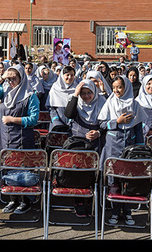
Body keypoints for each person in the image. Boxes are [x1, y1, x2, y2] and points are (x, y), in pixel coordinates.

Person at [0, 64, 40, 214]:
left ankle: (26, 200)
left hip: (22, 138)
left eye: (14, 79)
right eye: (9, 80)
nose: (11, 82)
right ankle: (13, 199)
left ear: (21, 79)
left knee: (22, 169)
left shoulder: (30, 96)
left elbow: (34, 119)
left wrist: (13, 119)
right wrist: (2, 78)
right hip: (4, 137)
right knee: (8, 167)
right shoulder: (4, 92)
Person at [98, 75, 143, 226]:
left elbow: (138, 129)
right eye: (115, 87)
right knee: (114, 182)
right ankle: (115, 211)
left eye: (120, 87)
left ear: (127, 88)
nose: (117, 90)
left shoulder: (135, 104)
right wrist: (116, 122)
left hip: (130, 148)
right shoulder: (109, 102)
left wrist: (139, 150)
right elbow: (102, 125)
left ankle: (128, 212)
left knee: (128, 182)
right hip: (112, 147)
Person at [64, 79, 106, 218]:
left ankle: (92, 201)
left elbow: (107, 123)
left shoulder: (102, 102)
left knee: (93, 173)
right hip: (79, 143)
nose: (86, 96)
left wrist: (98, 132)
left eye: (89, 93)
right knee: (79, 172)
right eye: (83, 93)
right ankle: (79, 202)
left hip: (96, 143)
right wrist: (75, 95)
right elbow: (68, 114)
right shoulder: (77, 103)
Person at [46, 66, 77, 131]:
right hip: (57, 125)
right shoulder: (55, 88)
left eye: (72, 75)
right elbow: (51, 108)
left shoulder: (77, 89)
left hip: (74, 125)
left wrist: (72, 121)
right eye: (67, 75)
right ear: (62, 76)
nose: (70, 77)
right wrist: (56, 121)